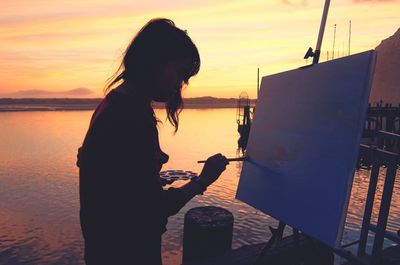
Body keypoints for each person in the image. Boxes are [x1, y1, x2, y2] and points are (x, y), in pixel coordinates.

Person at [77, 18, 229, 265]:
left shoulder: (114, 104)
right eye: (180, 73)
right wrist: (202, 181)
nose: (179, 85)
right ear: (154, 61)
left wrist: (149, 163)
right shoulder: (130, 117)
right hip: (127, 252)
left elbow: (112, 178)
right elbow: (154, 208)